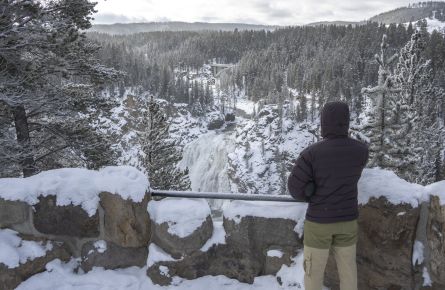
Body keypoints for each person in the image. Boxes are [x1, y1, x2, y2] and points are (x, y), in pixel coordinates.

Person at [288, 101, 368, 290]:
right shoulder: (361, 151)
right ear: (346, 122)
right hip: (348, 220)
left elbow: (294, 189)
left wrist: (310, 191)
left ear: (324, 123)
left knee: (313, 273)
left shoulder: (312, 153)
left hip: (319, 223)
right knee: (348, 271)